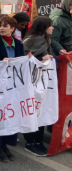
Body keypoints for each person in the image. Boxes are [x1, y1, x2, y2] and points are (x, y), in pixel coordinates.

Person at [0, 16, 24, 163]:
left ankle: (6, 145)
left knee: (10, 116)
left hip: (13, 87)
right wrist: (1, 63)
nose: (2, 28)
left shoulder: (19, 45)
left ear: (12, 28)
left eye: (5, 26)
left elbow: (22, 64)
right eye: (0, 25)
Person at [22, 16, 54, 157]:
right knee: (32, 110)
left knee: (41, 110)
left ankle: (38, 140)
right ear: (43, 27)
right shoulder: (30, 41)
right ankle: (30, 142)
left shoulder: (47, 40)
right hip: (31, 82)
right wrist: (42, 59)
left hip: (43, 82)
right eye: (50, 25)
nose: (53, 28)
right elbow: (23, 60)